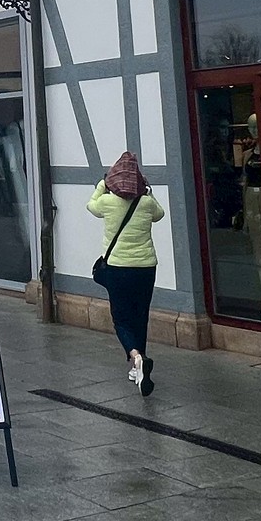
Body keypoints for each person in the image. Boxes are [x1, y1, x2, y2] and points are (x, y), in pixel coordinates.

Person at [88, 151, 166, 396]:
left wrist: (102, 184)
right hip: (146, 268)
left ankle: (135, 356)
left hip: (118, 268)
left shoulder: (107, 202)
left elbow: (91, 205)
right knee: (140, 315)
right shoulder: (146, 203)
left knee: (121, 319)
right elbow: (160, 214)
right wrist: (148, 191)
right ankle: (138, 368)